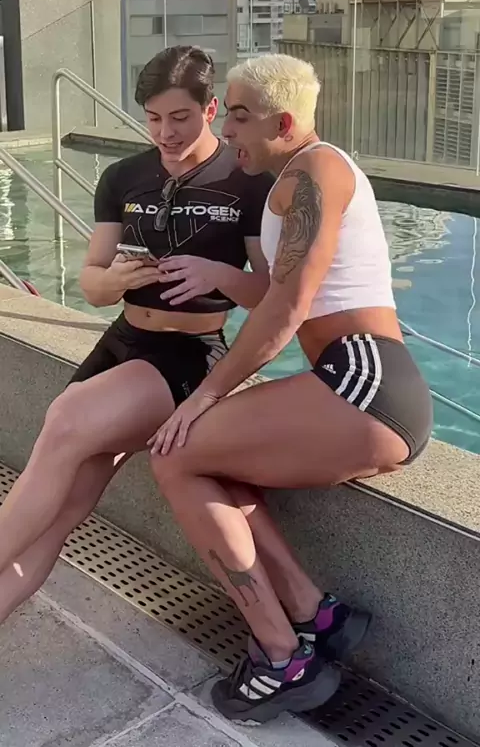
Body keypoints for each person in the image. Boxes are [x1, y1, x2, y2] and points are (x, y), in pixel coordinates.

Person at [148, 53, 433, 725]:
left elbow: (288, 308)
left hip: (365, 382)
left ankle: (283, 657)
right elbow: (285, 293)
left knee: (175, 454)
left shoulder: (315, 171)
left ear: (282, 123)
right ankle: (315, 614)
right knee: (213, 461)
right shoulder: (296, 176)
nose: (227, 130)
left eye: (238, 116)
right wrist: (219, 276)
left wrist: (206, 394)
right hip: (356, 382)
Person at [0, 46, 274, 625]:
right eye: (153, 118)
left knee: (65, 421)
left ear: (210, 109)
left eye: (180, 117)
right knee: (62, 508)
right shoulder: (124, 177)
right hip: (123, 342)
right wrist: (117, 279)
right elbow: (92, 284)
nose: (165, 132)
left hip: (188, 354)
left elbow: (272, 296)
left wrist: (219, 275)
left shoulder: (248, 181)